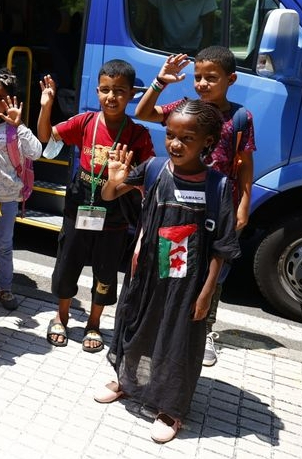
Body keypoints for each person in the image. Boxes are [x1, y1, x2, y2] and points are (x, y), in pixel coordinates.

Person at [96, 99, 241, 444]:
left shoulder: (218, 186)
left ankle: (171, 408)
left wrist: (206, 294)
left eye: (186, 138)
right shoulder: (153, 169)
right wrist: (114, 179)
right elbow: (108, 194)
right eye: (170, 134)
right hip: (145, 272)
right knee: (134, 324)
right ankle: (128, 381)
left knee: (176, 340)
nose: (175, 144)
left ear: (207, 141)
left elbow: (222, 246)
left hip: (186, 282)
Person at [134, 45, 255, 366]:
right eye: (198, 77)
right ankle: (162, 323)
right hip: (180, 204)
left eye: (210, 78)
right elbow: (143, 114)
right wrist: (161, 82)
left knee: (214, 273)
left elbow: (244, 164)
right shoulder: (185, 108)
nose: (201, 83)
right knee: (172, 264)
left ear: (231, 79)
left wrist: (244, 204)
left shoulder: (241, 117)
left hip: (219, 209)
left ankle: (204, 331)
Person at [37, 62, 155, 351]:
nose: (111, 97)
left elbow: (147, 173)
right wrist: (46, 106)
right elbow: (45, 137)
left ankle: (94, 324)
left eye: (119, 91)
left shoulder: (138, 134)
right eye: (105, 90)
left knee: (105, 270)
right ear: (97, 91)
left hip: (113, 212)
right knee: (68, 263)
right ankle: (61, 317)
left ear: (131, 95)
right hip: (80, 203)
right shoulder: (85, 122)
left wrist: (119, 185)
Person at [0, 68, 42, 310]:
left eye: (0, 98)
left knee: (3, 244)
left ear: (11, 100)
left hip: (7, 197)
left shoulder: (13, 129)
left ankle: (5, 288)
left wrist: (20, 125)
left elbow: (36, 152)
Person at [147, 0, 217, 53]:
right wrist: (160, 49)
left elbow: (208, 31)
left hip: (194, 49)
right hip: (166, 49)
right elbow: (153, 24)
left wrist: (200, 56)